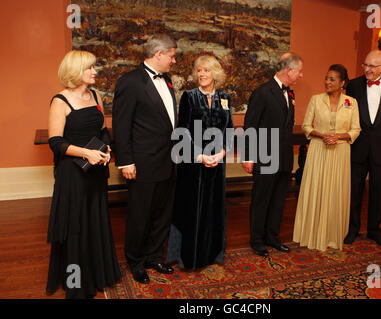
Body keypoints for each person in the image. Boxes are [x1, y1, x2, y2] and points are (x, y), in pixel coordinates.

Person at [46, 50, 121, 299]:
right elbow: (56, 142)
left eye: (94, 67)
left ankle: (98, 274)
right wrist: (86, 153)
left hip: (95, 172)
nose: (95, 72)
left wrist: (106, 147)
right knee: (76, 226)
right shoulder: (60, 101)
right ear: (74, 71)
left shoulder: (96, 95)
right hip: (72, 174)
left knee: (95, 221)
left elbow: (102, 130)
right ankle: (77, 282)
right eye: (89, 68)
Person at [112, 33, 178, 284]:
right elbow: (121, 124)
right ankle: (136, 261)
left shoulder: (168, 80)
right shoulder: (130, 82)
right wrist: (126, 161)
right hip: (142, 163)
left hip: (169, 160)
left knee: (163, 213)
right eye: (172, 56)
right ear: (159, 54)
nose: (173, 61)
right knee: (140, 215)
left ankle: (153, 257)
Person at [166, 55, 233, 270]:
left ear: (216, 74)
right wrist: (200, 156)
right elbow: (183, 132)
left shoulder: (225, 98)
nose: (202, 74)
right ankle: (191, 257)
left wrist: (221, 153)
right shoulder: (189, 97)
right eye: (199, 70)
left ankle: (212, 252)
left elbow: (228, 130)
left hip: (217, 163)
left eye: (207, 70)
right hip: (193, 163)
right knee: (192, 210)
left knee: (213, 209)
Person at [292, 64, 361, 252]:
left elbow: (355, 130)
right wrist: (321, 135)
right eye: (326, 78)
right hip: (318, 150)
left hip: (340, 153)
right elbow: (306, 126)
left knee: (335, 192)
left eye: (332, 79)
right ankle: (310, 234)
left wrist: (338, 137)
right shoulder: (316, 100)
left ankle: (331, 236)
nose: (327, 82)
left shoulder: (351, 103)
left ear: (342, 83)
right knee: (317, 189)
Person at [242, 52, 303, 257]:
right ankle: (257, 240)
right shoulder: (262, 92)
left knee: (278, 200)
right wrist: (248, 157)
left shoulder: (290, 93)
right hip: (265, 156)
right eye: (299, 71)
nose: (301, 75)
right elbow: (250, 126)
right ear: (289, 70)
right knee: (262, 200)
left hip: (285, 157)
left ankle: (272, 237)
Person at [344, 50, 381, 249]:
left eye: (372, 66)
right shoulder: (352, 85)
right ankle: (352, 229)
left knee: (379, 190)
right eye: (365, 65)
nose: (367, 69)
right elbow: (347, 116)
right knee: (354, 190)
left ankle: (374, 231)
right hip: (358, 147)